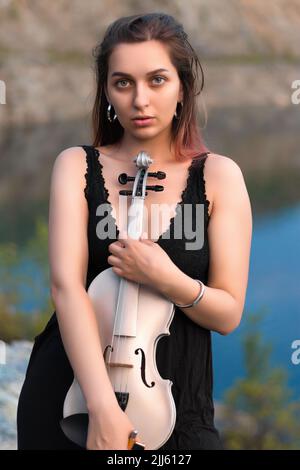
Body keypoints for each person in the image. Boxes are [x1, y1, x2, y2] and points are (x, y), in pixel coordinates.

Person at [17, 13, 252, 450]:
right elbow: (66, 287)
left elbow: (228, 313)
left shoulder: (220, 177)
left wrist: (166, 278)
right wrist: (103, 408)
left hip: (177, 398)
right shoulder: (75, 166)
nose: (140, 99)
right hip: (70, 395)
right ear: (106, 91)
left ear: (182, 86)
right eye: (123, 82)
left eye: (157, 80)